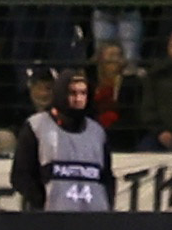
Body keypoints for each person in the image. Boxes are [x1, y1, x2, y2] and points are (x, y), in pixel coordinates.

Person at [23, 73, 114, 209]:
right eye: (73, 93)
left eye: (83, 93)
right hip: (51, 220)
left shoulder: (97, 132)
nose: (79, 99)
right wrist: (40, 203)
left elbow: (106, 177)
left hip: (94, 220)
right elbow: (22, 174)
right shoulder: (36, 126)